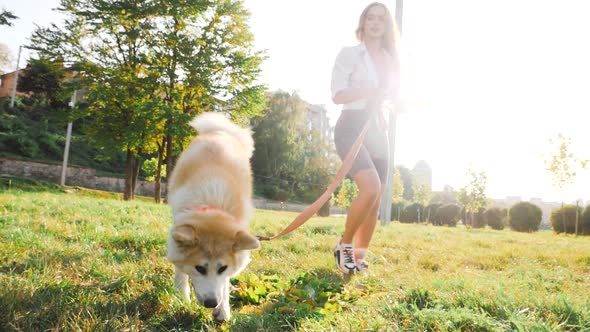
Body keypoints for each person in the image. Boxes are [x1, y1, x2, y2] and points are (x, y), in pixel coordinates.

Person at [331, 2, 401, 274]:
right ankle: (344, 246)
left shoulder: (391, 58)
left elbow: (396, 96)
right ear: (363, 22)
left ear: (386, 26)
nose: (375, 23)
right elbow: (337, 95)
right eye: (370, 18)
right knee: (370, 187)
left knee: (376, 196)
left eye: (380, 19)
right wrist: (367, 89)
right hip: (351, 125)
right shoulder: (350, 54)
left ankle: (359, 257)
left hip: (377, 128)